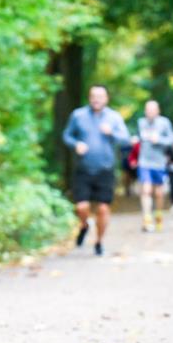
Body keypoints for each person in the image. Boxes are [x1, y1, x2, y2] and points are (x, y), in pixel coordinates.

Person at [62, 85, 132, 256]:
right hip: (84, 168)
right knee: (81, 207)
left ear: (106, 99)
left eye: (100, 96)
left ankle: (99, 242)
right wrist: (75, 144)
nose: (96, 99)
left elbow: (126, 140)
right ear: (89, 97)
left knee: (102, 209)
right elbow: (66, 135)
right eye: (93, 96)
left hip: (105, 169)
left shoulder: (114, 117)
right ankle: (84, 225)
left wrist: (112, 133)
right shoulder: (78, 115)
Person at [135, 100, 173, 232]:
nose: (150, 112)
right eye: (148, 110)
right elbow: (138, 137)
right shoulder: (141, 122)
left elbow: (172, 140)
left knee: (159, 193)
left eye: (152, 110)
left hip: (159, 163)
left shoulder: (164, 122)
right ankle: (147, 218)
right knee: (146, 190)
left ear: (158, 111)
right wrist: (134, 139)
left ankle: (158, 215)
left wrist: (159, 139)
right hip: (144, 162)